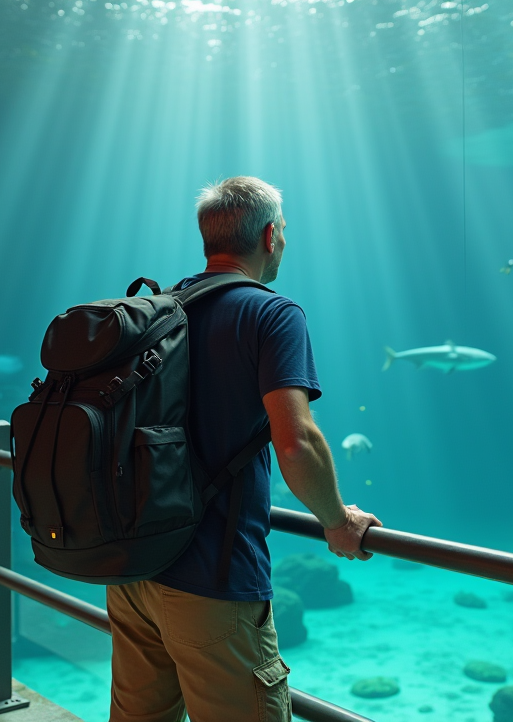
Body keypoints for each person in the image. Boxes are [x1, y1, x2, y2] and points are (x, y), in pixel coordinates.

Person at [107, 176, 382, 722]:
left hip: (133, 570)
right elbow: (297, 441)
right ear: (272, 235)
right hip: (214, 583)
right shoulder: (272, 315)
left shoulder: (159, 311)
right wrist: (337, 521)